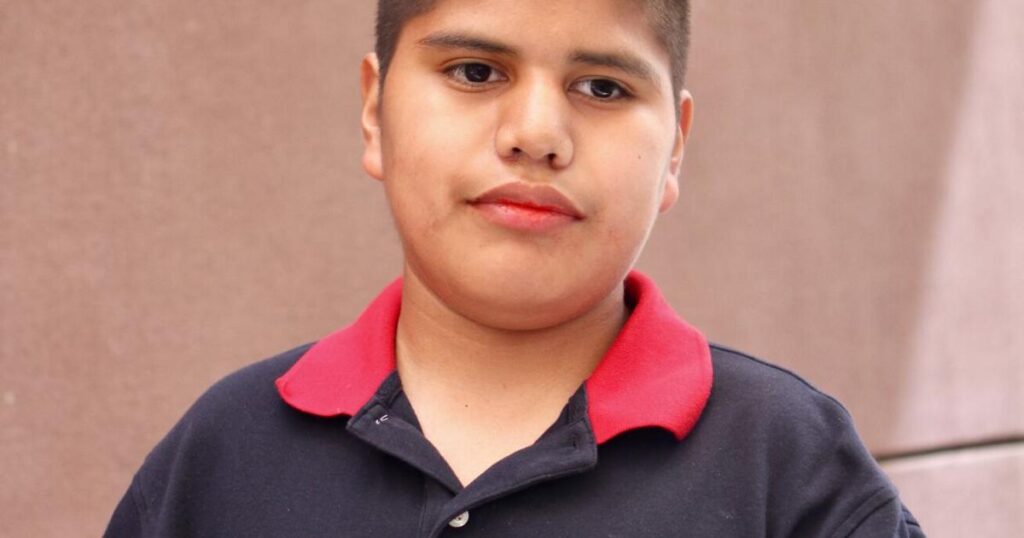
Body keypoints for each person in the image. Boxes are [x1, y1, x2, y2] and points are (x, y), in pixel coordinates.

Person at [106, 0, 925, 536]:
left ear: (674, 147)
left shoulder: (784, 463)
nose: (536, 134)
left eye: (602, 87)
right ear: (374, 111)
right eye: (475, 72)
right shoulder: (227, 451)